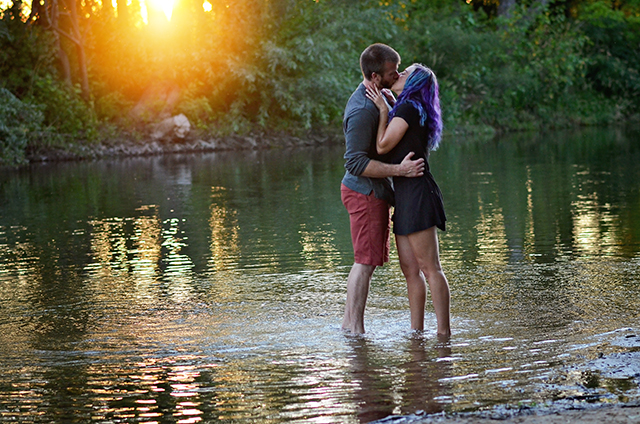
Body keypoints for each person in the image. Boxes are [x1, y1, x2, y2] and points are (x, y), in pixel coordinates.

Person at [341, 44, 427, 335]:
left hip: (374, 193)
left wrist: (388, 106)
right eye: (392, 73)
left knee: (368, 262)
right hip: (364, 193)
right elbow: (354, 162)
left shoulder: (377, 96)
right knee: (364, 263)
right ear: (375, 77)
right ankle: (353, 330)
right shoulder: (364, 109)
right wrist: (399, 171)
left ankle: (352, 328)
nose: (397, 75)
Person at [365, 63, 451, 338]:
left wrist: (382, 110)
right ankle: (417, 334)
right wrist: (389, 106)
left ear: (413, 83)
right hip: (405, 195)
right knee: (410, 270)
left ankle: (443, 334)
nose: (398, 75)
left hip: (416, 194)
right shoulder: (411, 107)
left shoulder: (409, 108)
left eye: (405, 73)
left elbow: (382, 146)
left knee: (430, 268)